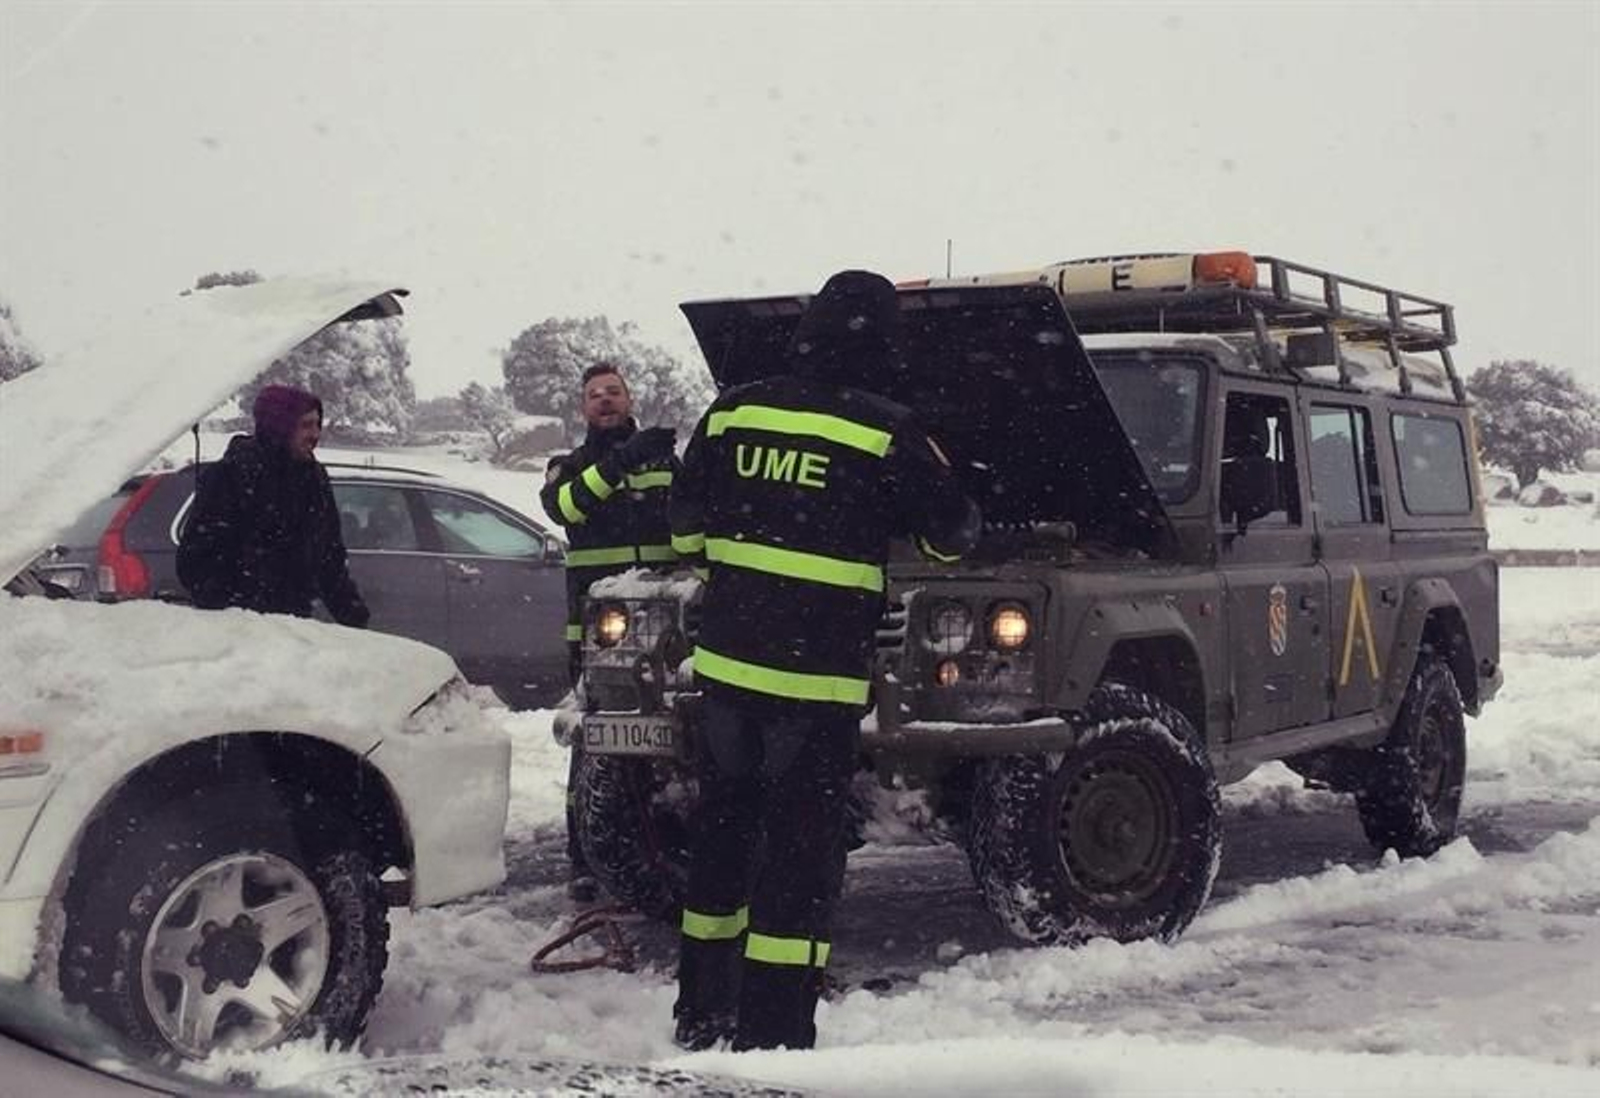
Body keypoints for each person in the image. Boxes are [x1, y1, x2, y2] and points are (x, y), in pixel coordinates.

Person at [668, 270, 981, 1051]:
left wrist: (746, 588)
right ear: (882, 340)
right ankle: (773, 1036)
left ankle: (703, 1013)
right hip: (814, 686)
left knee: (722, 840)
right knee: (799, 863)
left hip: (727, 676)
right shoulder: (885, 429)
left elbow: (684, 534)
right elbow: (951, 538)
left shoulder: (734, 408)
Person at [539, 362, 680, 902]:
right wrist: (623, 460)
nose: (605, 401)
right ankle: (584, 856)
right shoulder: (568, 465)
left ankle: (668, 839)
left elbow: (697, 521)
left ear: (629, 398)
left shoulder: (666, 460)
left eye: (613, 392)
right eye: (594, 394)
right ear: (583, 408)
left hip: (671, 629)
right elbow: (564, 506)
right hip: (599, 635)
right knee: (594, 743)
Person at [177, 384, 369, 628]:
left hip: (294, 624)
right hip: (237, 627)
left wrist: (354, 618)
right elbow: (194, 559)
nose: (315, 434)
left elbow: (329, 556)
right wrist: (233, 605)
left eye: (317, 424)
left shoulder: (314, 479)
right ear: (280, 427)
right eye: (306, 425)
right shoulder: (231, 475)